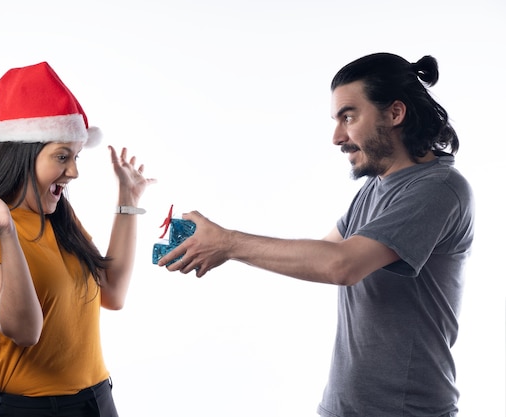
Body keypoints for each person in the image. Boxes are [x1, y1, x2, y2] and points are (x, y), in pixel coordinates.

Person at [158, 53, 474, 417]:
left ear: (394, 113)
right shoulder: (378, 187)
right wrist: (219, 245)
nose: (338, 136)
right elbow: (326, 251)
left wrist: (228, 243)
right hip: (344, 407)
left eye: (349, 117)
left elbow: (343, 265)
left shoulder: (438, 189)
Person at [0, 62, 155, 417]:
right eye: (62, 156)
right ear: (22, 154)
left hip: (99, 401)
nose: (75, 171)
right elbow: (24, 330)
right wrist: (7, 232)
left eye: (76, 157)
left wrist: (128, 200)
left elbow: (112, 293)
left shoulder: (58, 217)